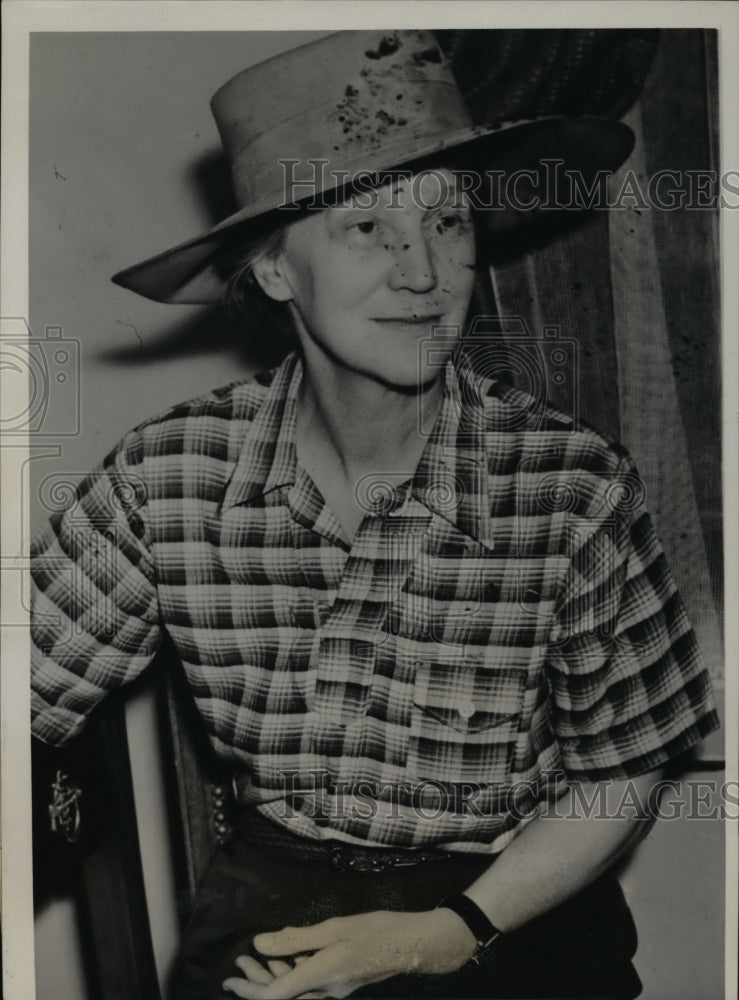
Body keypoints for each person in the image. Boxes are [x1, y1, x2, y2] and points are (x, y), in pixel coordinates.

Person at [31, 30, 719, 1000]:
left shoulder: (572, 484)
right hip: (272, 910)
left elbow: (626, 769)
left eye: (447, 222)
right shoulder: (167, 476)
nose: (423, 275)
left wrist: (450, 930)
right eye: (366, 229)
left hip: (507, 912)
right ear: (275, 269)